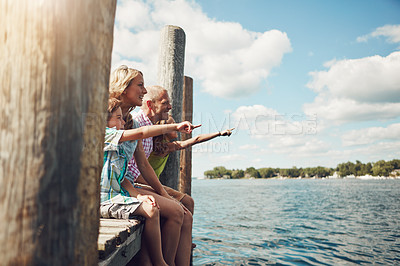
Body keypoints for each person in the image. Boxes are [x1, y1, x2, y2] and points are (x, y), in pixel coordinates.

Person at [109, 65, 197, 266]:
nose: (144, 90)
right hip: (111, 189)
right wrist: (139, 194)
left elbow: (143, 164)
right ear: (124, 88)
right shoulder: (106, 118)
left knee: (182, 210)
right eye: (140, 85)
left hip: (127, 185)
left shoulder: (130, 121)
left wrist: (164, 195)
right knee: (176, 212)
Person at [125, 85, 196, 214]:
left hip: (140, 182)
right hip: (132, 184)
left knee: (187, 203)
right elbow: (134, 170)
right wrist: (161, 191)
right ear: (150, 104)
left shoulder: (148, 126)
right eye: (165, 103)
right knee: (180, 208)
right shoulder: (137, 124)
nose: (170, 107)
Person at [149, 115, 234, 181]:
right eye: (172, 125)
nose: (176, 127)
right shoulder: (166, 147)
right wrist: (219, 133)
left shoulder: (156, 144)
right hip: (148, 183)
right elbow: (197, 139)